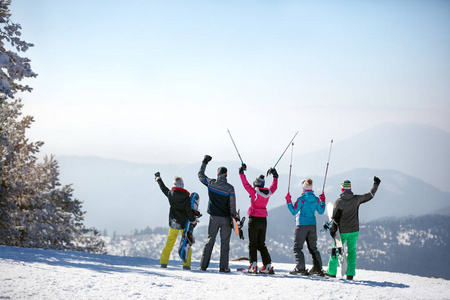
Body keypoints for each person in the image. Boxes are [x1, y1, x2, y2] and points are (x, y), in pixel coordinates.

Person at [325, 176, 381, 280]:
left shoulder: (339, 202)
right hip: (354, 230)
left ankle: (331, 272)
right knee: (352, 251)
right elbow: (370, 195)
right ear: (350, 189)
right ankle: (350, 273)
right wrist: (376, 184)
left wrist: (331, 229)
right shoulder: (356, 199)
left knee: (335, 250)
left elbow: (335, 219)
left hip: (342, 231)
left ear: (342, 189)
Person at [198, 155, 238, 273]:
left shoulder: (211, 183)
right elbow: (232, 205)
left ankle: (203, 266)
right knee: (225, 243)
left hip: (213, 218)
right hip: (226, 219)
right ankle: (223, 267)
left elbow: (200, 175)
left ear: (218, 174)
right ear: (226, 175)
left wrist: (204, 162)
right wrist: (234, 219)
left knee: (210, 241)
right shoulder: (230, 188)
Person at [239, 164, 278, 274]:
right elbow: (274, 187)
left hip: (254, 219)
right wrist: (275, 176)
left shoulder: (253, 192)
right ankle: (268, 265)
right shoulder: (268, 193)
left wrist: (241, 173)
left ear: (256, 183)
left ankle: (253, 265)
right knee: (261, 244)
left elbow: (245, 184)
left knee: (253, 244)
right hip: (263, 220)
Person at [155, 172, 198, 270]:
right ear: (182, 185)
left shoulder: (171, 194)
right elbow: (188, 210)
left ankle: (163, 263)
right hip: (184, 223)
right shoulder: (187, 197)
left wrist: (158, 179)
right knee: (186, 243)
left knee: (170, 242)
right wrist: (193, 220)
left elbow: (163, 188)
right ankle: (186, 265)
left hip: (174, 222)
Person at [285, 178, 326, 276]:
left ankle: (300, 268)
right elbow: (321, 211)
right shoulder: (316, 199)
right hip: (312, 225)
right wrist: (323, 201)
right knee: (313, 248)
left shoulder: (301, 199)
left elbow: (294, 211)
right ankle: (318, 268)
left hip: (302, 225)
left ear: (303, 188)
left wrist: (288, 201)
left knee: (297, 247)